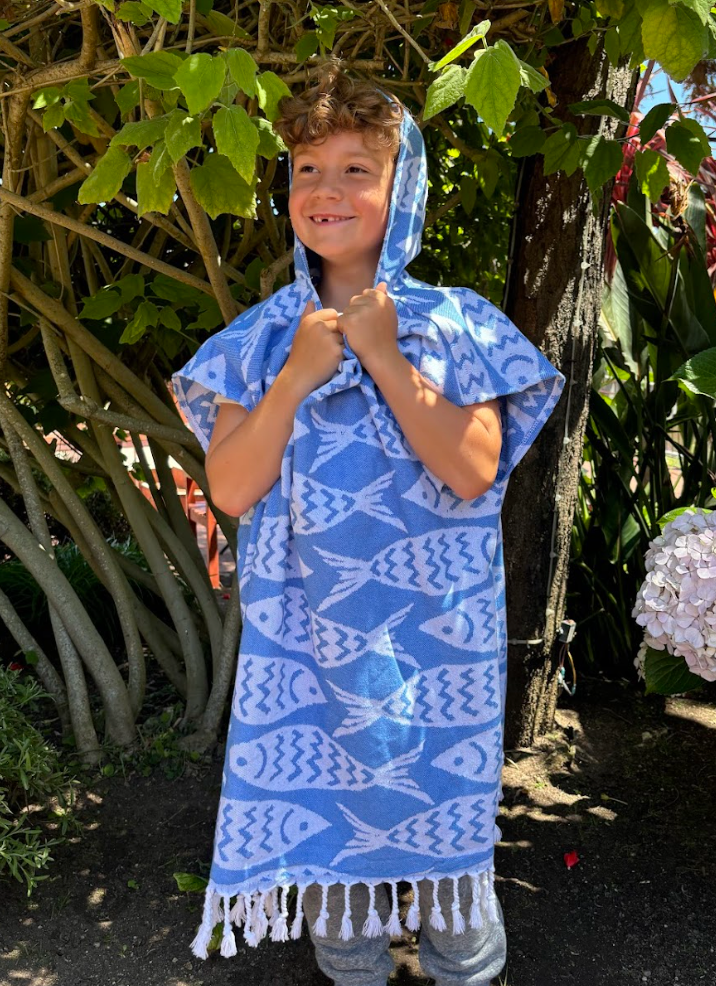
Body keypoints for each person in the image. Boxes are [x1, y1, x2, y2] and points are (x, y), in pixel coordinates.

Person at [171, 60, 565, 986]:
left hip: (433, 654)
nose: (328, 189)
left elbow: (471, 470)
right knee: (338, 904)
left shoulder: (456, 326)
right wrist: (299, 375)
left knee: (453, 902)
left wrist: (384, 354)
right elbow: (230, 486)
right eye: (308, 168)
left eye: (359, 167)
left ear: (406, 189)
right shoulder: (263, 339)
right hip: (305, 652)